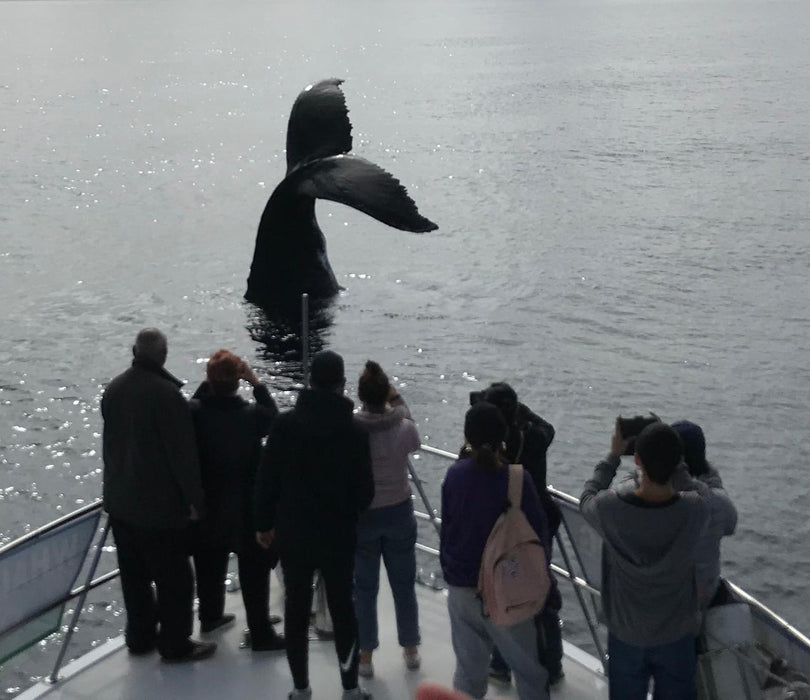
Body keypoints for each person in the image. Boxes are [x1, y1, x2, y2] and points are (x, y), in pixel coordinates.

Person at [254, 350, 374, 700]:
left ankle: (301, 689)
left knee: (295, 607)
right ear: (341, 384)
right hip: (338, 535)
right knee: (342, 609)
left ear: (310, 381)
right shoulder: (354, 433)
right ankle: (350, 689)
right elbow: (365, 493)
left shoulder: (285, 426)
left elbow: (267, 479)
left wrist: (264, 523)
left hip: (294, 534)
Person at [101, 328, 216, 662]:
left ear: (133, 349)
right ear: (163, 356)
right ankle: (175, 643)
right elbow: (182, 457)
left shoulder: (114, 389)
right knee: (176, 579)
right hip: (157, 509)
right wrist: (196, 501)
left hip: (120, 503)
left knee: (134, 576)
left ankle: (139, 636)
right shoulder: (167, 396)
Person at [580, 419, 710, 700]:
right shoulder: (694, 509)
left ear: (637, 460)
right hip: (676, 634)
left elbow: (587, 497)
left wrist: (613, 456)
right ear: (678, 462)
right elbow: (704, 494)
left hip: (627, 634)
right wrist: (675, 463)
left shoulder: (609, 509)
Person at [440, 401, 551, 700]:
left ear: (467, 437)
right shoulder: (518, 479)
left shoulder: (454, 475)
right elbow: (537, 536)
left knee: (468, 673)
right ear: (504, 436)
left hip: (463, 586)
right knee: (529, 672)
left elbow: (448, 528)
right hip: (508, 589)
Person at [189, 348, 285, 650]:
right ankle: (260, 632)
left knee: (209, 563)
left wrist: (210, 382)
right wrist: (256, 382)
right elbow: (275, 420)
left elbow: (191, 404)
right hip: (245, 505)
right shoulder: (251, 417)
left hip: (209, 503)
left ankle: (210, 615)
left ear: (209, 380)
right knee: (253, 570)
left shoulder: (196, 414)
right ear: (238, 381)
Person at [475, 383, 563, 686]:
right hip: (535, 528)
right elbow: (548, 429)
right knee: (542, 592)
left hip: (499, 530)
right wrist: (522, 411)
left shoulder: (485, 448)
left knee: (501, 592)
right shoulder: (532, 438)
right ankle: (552, 666)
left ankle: (500, 664)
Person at [352, 361, 422, 678]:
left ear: (361, 396)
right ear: (387, 394)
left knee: (364, 588)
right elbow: (414, 439)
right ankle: (410, 650)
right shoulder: (404, 427)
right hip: (398, 511)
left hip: (364, 515)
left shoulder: (352, 429)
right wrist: (398, 400)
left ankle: (365, 655)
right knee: (403, 585)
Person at [670, 420, 738, 606]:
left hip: (666, 600)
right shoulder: (715, 502)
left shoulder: (655, 496)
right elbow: (730, 525)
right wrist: (710, 478)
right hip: (704, 597)